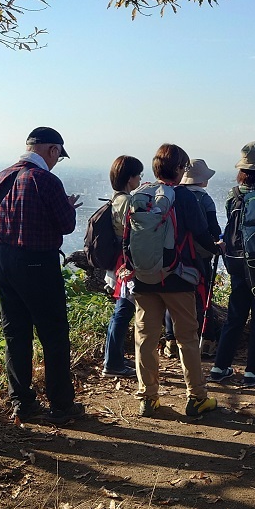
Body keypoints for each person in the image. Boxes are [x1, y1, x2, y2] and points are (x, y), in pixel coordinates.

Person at [0, 127, 85, 426]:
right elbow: (66, 225)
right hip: (37, 263)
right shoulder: (45, 180)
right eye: (58, 155)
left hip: (2, 259)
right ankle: (60, 405)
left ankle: (23, 403)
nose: (57, 161)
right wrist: (68, 206)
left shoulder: (2, 176)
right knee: (53, 334)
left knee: (15, 334)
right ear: (52, 150)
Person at [128, 144, 219, 418]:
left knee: (145, 338)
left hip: (144, 278)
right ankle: (196, 398)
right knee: (187, 338)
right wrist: (217, 247)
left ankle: (148, 398)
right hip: (178, 277)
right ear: (179, 170)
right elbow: (202, 233)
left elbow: (126, 237)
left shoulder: (140, 195)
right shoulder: (183, 197)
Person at [208, 141, 255, 388]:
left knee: (235, 317)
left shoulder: (233, 195)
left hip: (236, 263)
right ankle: (252, 371)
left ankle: (219, 366)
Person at [166, 158, 222, 359]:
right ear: (202, 180)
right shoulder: (204, 199)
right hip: (199, 255)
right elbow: (212, 229)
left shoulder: (172, 195)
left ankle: (171, 340)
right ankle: (206, 339)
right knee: (202, 294)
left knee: (172, 296)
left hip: (174, 254)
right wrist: (216, 245)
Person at [102, 155, 144, 378]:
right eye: (138, 175)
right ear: (130, 178)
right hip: (126, 262)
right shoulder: (128, 201)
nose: (139, 179)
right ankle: (113, 362)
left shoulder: (116, 198)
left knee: (121, 309)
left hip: (118, 260)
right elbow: (135, 232)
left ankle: (113, 356)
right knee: (123, 311)